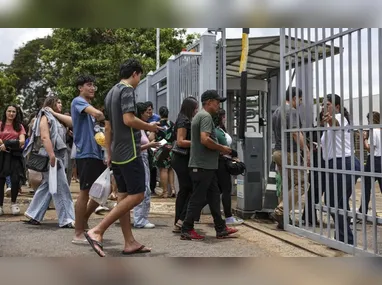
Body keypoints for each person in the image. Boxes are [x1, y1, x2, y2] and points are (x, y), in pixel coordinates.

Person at [84, 59, 161, 257]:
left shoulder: (110, 93)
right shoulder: (127, 90)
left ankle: (130, 242)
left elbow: (108, 126)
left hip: (117, 154)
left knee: (124, 198)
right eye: (140, 76)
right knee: (138, 195)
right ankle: (98, 230)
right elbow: (129, 119)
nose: (139, 80)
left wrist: (109, 153)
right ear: (135, 74)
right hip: (130, 152)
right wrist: (150, 127)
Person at [180, 90, 238, 241]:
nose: (219, 105)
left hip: (206, 166)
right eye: (217, 102)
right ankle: (186, 228)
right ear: (209, 102)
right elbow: (205, 140)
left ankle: (221, 228)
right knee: (197, 198)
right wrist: (222, 148)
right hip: (202, 166)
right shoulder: (205, 117)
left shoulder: (201, 116)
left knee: (213, 196)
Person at [23, 96, 75, 228]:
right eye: (58, 102)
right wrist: (52, 155)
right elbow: (45, 137)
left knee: (48, 186)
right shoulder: (45, 117)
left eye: (61, 102)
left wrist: (54, 112)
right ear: (51, 103)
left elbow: (72, 122)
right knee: (61, 187)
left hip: (57, 154)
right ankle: (67, 218)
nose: (60, 105)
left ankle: (34, 214)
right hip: (50, 154)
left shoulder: (55, 117)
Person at [70, 75, 107, 244]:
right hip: (85, 154)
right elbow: (98, 114)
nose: (92, 88)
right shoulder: (78, 102)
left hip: (96, 154)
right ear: (80, 88)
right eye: (89, 85)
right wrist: (103, 115)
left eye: (94, 86)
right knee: (84, 193)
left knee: (100, 192)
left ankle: (83, 220)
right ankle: (78, 233)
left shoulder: (86, 106)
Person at [321, 94, 360, 245]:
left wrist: (331, 120)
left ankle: (346, 239)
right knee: (339, 202)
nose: (324, 107)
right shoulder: (328, 125)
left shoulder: (340, 117)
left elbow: (336, 124)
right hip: (337, 163)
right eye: (323, 104)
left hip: (343, 163)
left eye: (328, 104)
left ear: (337, 107)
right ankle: (342, 237)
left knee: (334, 202)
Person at [271, 87, 310, 230]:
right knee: (302, 184)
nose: (300, 103)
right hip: (289, 153)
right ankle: (280, 211)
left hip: (278, 152)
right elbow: (294, 133)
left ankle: (283, 219)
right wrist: (305, 149)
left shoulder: (277, 111)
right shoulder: (291, 111)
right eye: (300, 99)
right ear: (294, 98)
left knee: (286, 186)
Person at [172, 97, 199, 233]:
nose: (197, 111)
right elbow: (180, 141)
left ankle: (179, 220)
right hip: (181, 158)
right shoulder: (183, 120)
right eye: (195, 108)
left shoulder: (182, 118)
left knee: (185, 190)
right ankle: (181, 219)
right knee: (188, 188)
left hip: (181, 159)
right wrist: (198, 142)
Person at [213, 109, 244, 225]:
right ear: (220, 117)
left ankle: (192, 215)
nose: (225, 118)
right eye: (224, 116)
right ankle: (228, 217)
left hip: (222, 162)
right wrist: (233, 154)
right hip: (221, 163)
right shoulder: (216, 131)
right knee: (225, 190)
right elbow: (223, 147)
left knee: (216, 190)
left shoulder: (219, 130)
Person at [133, 102, 161, 228]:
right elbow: (135, 147)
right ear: (141, 113)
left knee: (146, 189)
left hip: (143, 157)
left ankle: (142, 218)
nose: (150, 113)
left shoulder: (142, 127)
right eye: (147, 111)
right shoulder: (137, 127)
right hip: (140, 157)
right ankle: (139, 219)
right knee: (143, 189)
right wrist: (150, 145)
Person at [0, 105, 26, 216]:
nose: (11, 113)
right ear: (5, 112)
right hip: (1, 155)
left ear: (16, 113)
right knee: (0, 180)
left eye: (14, 112)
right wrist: (3, 144)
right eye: (9, 111)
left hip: (15, 155)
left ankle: (14, 203)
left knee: (15, 180)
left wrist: (7, 143)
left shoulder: (19, 126)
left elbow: (22, 141)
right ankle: (0, 206)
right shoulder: (0, 124)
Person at [359, 112, 382, 215]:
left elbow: (369, 149)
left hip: (373, 160)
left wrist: (364, 138)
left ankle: (362, 211)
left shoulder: (373, 132)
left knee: (366, 187)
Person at [153, 106, 176, 198]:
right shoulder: (172, 124)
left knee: (163, 169)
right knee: (170, 168)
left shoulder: (157, 124)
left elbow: (151, 137)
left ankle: (165, 191)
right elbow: (175, 136)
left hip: (161, 148)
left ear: (160, 114)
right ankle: (173, 189)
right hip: (170, 147)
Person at [146, 101, 160, 195]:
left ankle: (153, 187)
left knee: (153, 167)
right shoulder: (143, 119)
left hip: (154, 144)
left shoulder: (157, 118)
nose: (149, 112)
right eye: (147, 110)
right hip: (146, 144)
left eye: (150, 110)